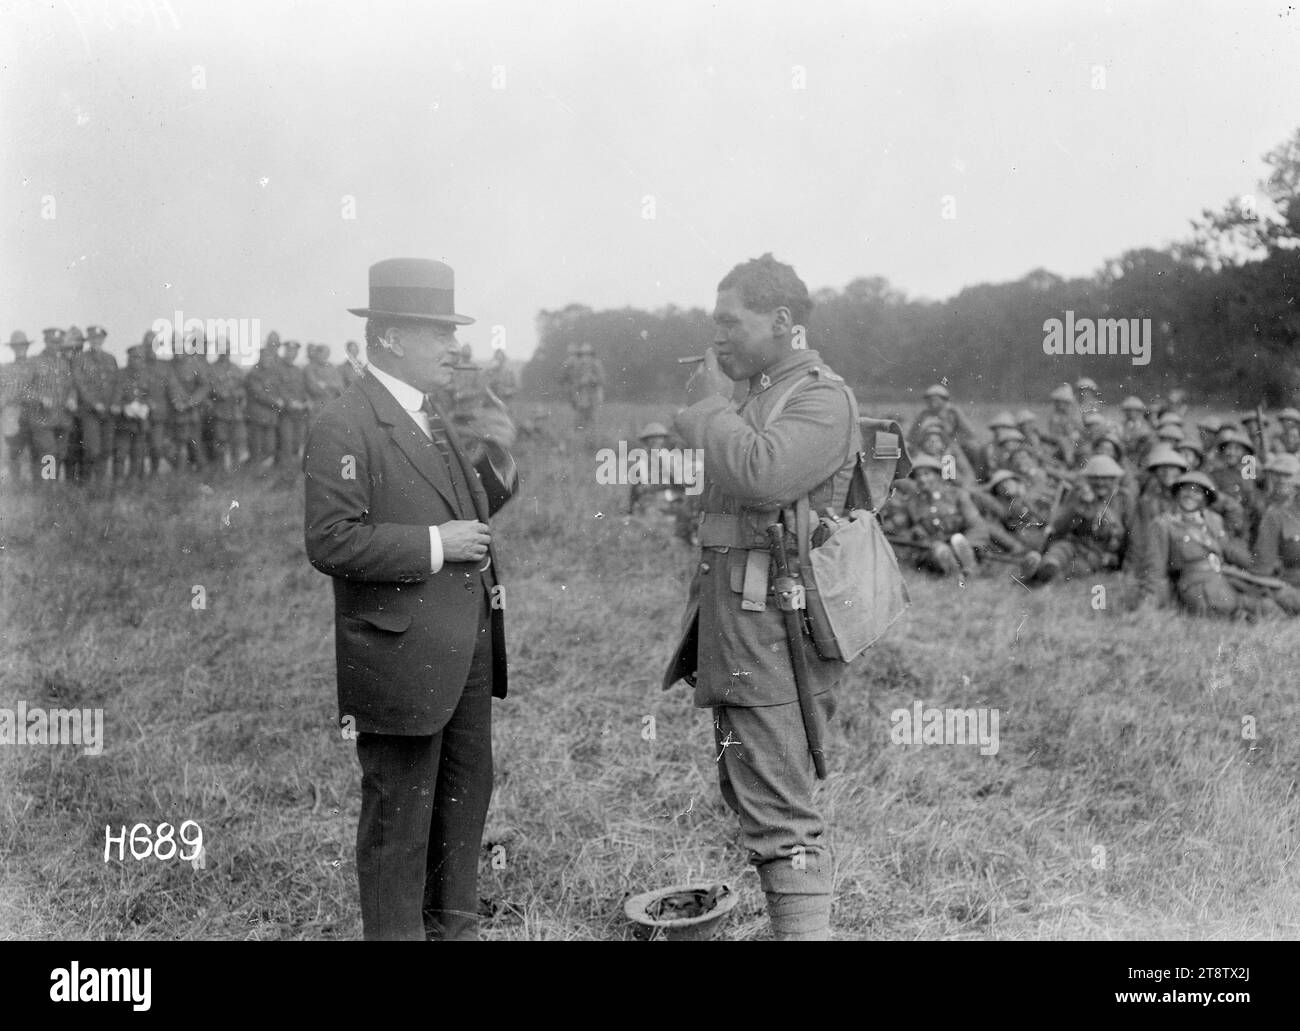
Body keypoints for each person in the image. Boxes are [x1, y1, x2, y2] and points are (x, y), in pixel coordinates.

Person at [304, 257, 518, 941]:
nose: (452, 346)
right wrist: (436, 544)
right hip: (402, 654)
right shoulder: (345, 423)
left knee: (464, 797)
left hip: (466, 643)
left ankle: (456, 928)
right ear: (391, 337)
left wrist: (502, 459)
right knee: (400, 816)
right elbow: (332, 541)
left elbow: (469, 507)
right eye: (437, 332)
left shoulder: (433, 414)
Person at [661, 253, 860, 941]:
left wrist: (709, 406)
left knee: (781, 809)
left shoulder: (819, 397)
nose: (716, 337)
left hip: (776, 631)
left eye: (729, 321)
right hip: (740, 624)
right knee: (755, 790)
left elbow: (763, 473)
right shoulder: (758, 395)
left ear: (782, 322)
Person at [1141, 471, 1300, 617]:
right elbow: (1155, 569)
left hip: (1224, 575)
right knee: (1250, 607)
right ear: (1177, 493)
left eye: (1197, 491)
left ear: (1205, 498)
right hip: (1197, 585)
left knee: (1282, 595)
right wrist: (1152, 603)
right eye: (1186, 490)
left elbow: (1228, 550)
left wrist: (1255, 566)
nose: (1190, 495)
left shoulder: (1212, 520)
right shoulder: (1163, 525)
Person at [1029, 454, 1134, 584]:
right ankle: (1042, 568)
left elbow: (1130, 533)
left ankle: (1047, 578)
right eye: (1095, 478)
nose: (1100, 483)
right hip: (1073, 543)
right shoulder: (1079, 494)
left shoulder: (1123, 498)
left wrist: (1123, 564)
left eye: (1105, 478)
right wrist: (1078, 508)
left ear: (1114, 479)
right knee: (1056, 555)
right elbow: (1059, 526)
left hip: (1099, 552)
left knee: (1077, 569)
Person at [893, 454, 989, 578]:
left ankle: (970, 570)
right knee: (941, 550)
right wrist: (916, 535)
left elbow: (977, 526)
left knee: (958, 540)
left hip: (964, 546)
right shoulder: (912, 504)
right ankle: (957, 577)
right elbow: (905, 534)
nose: (922, 479)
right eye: (918, 476)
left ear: (938, 475)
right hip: (933, 551)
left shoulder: (957, 495)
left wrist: (970, 545)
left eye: (927, 474)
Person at [23, 327, 77, 480]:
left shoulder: (64, 363)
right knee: (48, 453)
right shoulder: (34, 361)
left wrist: (72, 399)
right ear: (46, 342)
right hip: (42, 418)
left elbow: (71, 386)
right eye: (53, 342)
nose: (56, 345)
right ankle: (46, 489)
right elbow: (24, 390)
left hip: (62, 418)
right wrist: (40, 398)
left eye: (59, 342)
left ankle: (50, 485)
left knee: (60, 453)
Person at [1254, 454, 1300, 588]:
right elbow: (1263, 562)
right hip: (1290, 584)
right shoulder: (1275, 514)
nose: (1281, 480)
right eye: (1277, 475)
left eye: (1286, 476)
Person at [245, 336, 286, 465]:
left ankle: (265, 470)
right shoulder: (254, 373)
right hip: (257, 415)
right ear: (260, 357)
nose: (268, 360)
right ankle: (255, 471)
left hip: (270, 415)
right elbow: (258, 394)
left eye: (270, 357)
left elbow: (280, 389)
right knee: (257, 444)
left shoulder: (273, 372)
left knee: (270, 445)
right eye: (265, 357)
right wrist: (276, 402)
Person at [1, 330, 33, 482]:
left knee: (41, 449)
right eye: (16, 346)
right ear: (12, 348)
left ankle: (43, 483)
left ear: (27, 347)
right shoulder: (5, 369)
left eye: (22, 346)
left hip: (34, 412)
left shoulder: (35, 365)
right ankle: (16, 483)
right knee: (14, 449)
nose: (20, 349)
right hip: (13, 414)